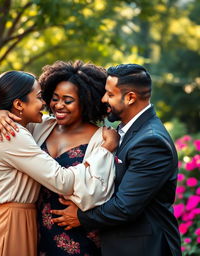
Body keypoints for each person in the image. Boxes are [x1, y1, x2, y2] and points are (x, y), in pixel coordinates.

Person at [0, 61, 117, 256]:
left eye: (68, 100)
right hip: (28, 227)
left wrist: (84, 215)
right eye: (52, 98)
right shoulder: (29, 129)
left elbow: (103, 189)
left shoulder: (102, 137)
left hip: (76, 234)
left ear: (86, 100)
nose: (56, 105)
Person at [51, 64, 182, 256]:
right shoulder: (125, 131)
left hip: (143, 248)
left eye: (110, 94)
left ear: (130, 98)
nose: (104, 99)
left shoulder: (151, 141)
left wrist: (80, 216)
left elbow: (124, 206)